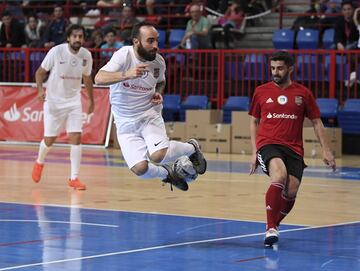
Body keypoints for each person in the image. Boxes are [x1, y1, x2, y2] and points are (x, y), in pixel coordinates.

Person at [94, 21, 207, 191]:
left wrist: (159, 92)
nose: (156, 45)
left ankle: (192, 148)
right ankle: (167, 175)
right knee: (140, 169)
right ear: (136, 42)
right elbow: (99, 78)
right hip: (124, 122)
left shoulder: (159, 62)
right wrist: (127, 74)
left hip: (148, 115)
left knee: (158, 155)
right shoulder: (124, 55)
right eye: (150, 41)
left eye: (157, 40)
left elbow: (161, 81)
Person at [248, 51, 336, 247]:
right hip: (268, 144)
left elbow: (316, 122)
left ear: (290, 69)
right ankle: (270, 228)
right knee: (279, 176)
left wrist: (326, 150)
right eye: (272, 68)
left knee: (292, 190)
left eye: (279, 68)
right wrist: (255, 151)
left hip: (294, 148)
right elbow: (254, 121)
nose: (275, 72)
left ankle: (275, 225)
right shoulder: (261, 91)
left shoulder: (303, 93)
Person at [32, 24, 94, 191]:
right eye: (74, 36)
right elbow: (40, 72)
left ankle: (74, 178)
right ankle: (39, 162)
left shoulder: (86, 55)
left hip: (74, 101)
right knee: (50, 139)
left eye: (80, 36)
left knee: (76, 137)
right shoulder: (56, 51)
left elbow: (87, 78)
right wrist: (39, 90)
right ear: (68, 38)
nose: (78, 39)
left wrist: (91, 100)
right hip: (53, 101)